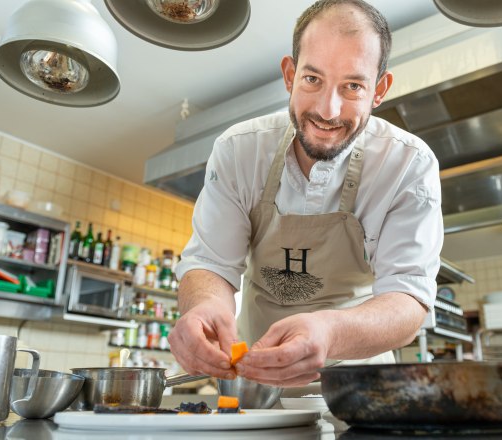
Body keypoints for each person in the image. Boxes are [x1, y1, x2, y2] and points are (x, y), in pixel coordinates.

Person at [169, 0, 443, 388]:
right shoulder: (239, 150)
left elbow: (406, 301)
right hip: (252, 381)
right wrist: (204, 306)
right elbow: (211, 263)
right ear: (289, 74)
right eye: (312, 79)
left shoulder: (407, 166)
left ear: (379, 90)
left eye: (352, 86)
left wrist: (329, 331)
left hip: (359, 388)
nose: (327, 111)